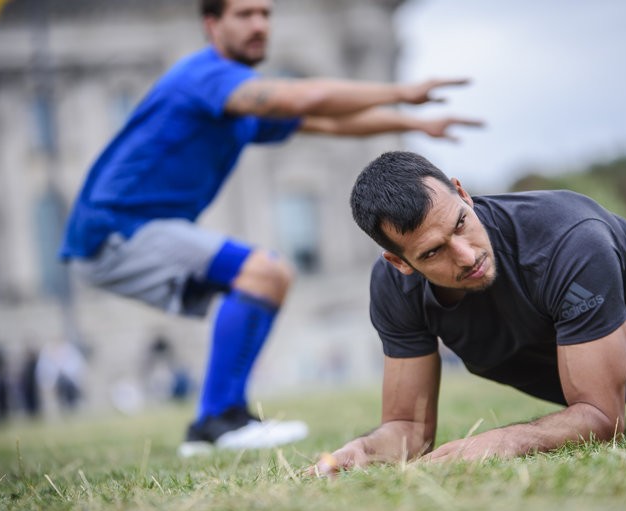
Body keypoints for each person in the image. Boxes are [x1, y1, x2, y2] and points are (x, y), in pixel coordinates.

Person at [59, 0, 482, 457]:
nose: (259, 24)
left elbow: (321, 121)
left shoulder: (236, 106)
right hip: (116, 228)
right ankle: (219, 420)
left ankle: (216, 421)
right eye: (244, 14)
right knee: (263, 272)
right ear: (211, 24)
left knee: (267, 277)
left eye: (265, 13)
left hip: (137, 230)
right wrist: (401, 91)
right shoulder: (205, 76)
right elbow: (303, 97)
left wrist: (415, 123)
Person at [313, 150, 626, 473]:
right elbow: (408, 425)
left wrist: (502, 440)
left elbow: (601, 416)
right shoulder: (393, 287)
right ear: (400, 264)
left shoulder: (569, 240)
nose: (466, 256)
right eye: (432, 252)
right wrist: (362, 452)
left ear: (463, 193)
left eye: (461, 223)